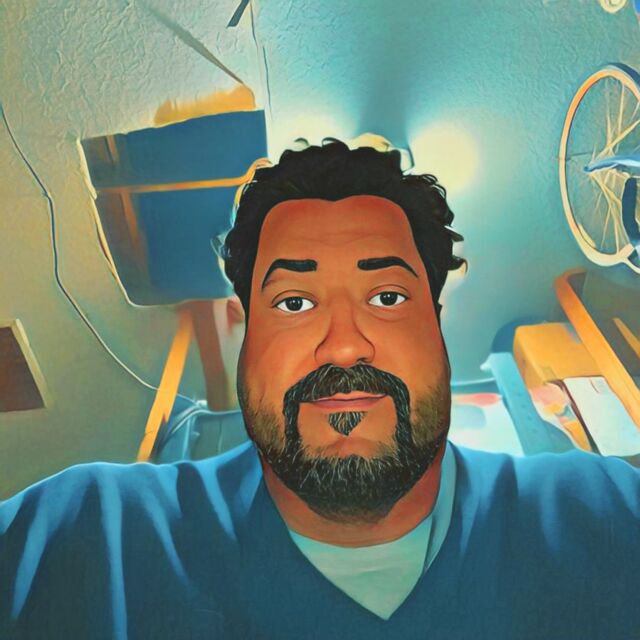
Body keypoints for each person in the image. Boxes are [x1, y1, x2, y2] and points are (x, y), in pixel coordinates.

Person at [1, 141, 639, 640]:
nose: (344, 346)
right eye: (294, 302)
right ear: (245, 338)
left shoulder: (605, 516)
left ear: (438, 326)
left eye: (387, 297)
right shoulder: (81, 538)